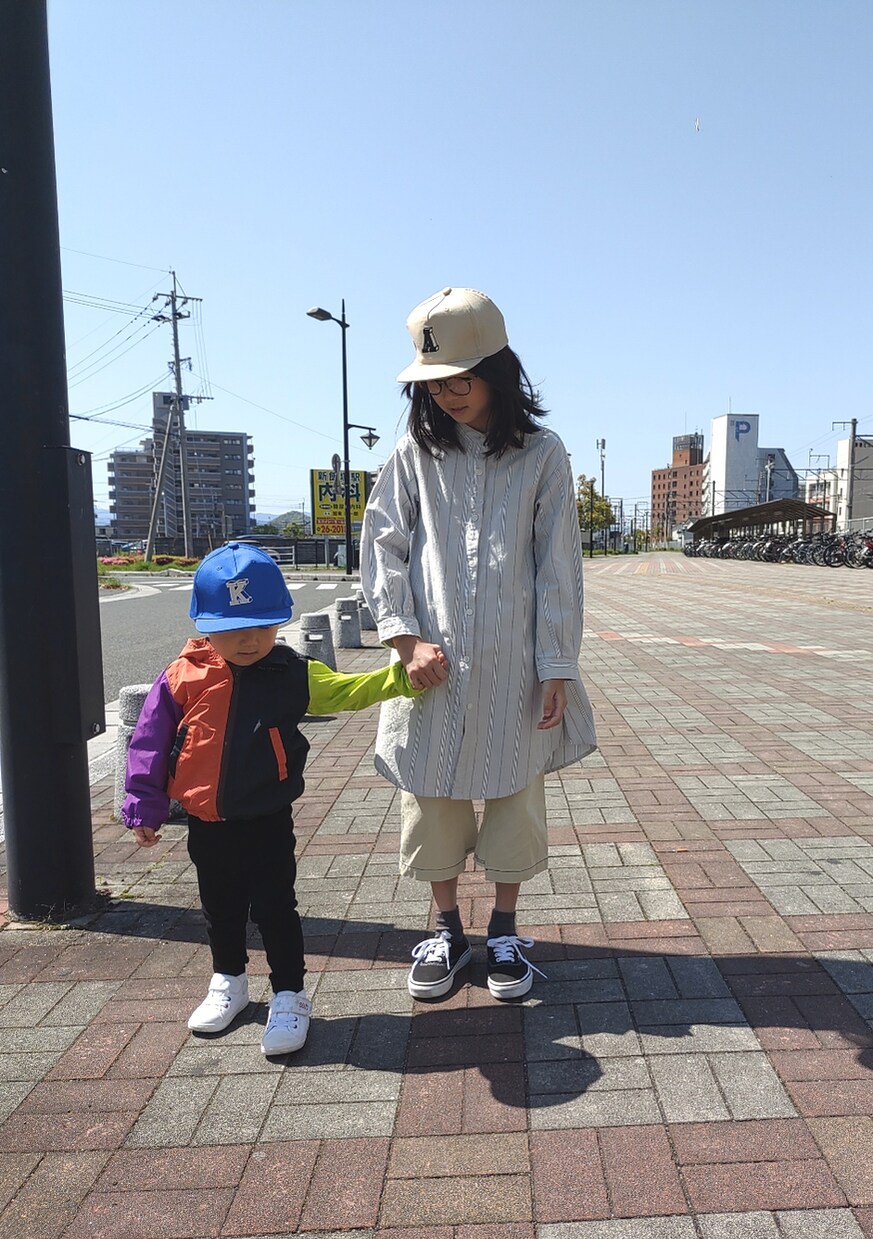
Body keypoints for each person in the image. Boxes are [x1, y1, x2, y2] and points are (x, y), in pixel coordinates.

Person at [360, 286, 597, 1002]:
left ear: (498, 369)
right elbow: (383, 545)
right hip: (428, 664)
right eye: (435, 383)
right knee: (430, 797)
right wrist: (402, 638)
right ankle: (444, 926)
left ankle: (502, 927)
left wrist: (556, 664)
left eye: (462, 377)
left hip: (515, 664)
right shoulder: (413, 454)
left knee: (515, 795)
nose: (450, 394)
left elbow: (558, 564)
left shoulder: (542, 454)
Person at [122, 541, 431, 1055]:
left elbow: (347, 691)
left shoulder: (291, 672)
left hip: (267, 817)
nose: (249, 641)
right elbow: (148, 743)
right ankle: (229, 982)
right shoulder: (182, 676)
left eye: (262, 627)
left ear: (279, 624)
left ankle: (290, 995)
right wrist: (144, 806)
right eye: (232, 629)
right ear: (206, 627)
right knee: (219, 908)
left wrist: (404, 677)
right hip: (207, 820)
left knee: (275, 908)